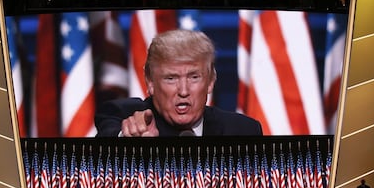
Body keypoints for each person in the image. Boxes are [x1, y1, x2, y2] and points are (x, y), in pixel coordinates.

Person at [94, 29, 263, 137]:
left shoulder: (243, 130)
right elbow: (106, 139)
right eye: (171, 78)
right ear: (150, 82)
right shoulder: (120, 114)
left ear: (211, 81)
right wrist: (128, 138)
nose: (183, 91)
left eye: (194, 77)